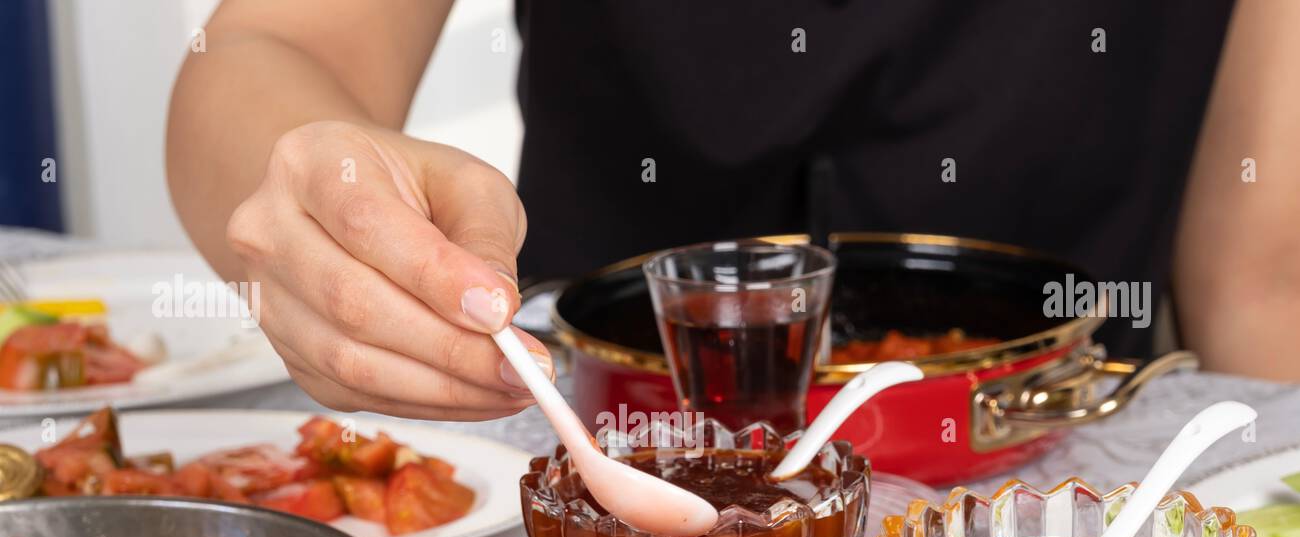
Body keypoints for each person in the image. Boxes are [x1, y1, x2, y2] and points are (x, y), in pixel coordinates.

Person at [166, 0, 1299, 423]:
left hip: (1048, 495)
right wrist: (325, 200)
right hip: (587, 458)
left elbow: (1267, 280)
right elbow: (277, 41)